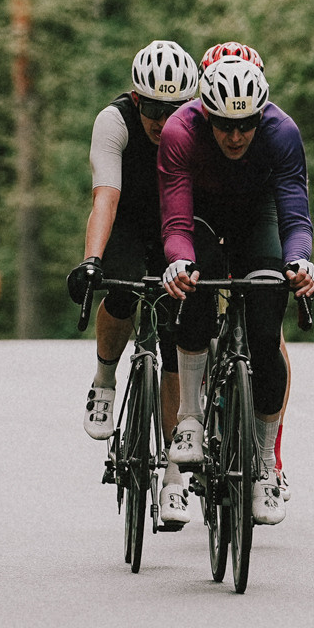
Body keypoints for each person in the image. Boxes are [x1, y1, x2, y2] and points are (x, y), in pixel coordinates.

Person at [157, 55, 314, 528]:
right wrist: (179, 261)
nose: (235, 136)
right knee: (195, 282)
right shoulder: (180, 130)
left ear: (260, 115)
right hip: (201, 216)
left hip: (258, 217)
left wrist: (300, 261)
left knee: (267, 335)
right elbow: (176, 223)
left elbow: (295, 215)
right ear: (206, 113)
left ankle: (266, 466)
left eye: (246, 124)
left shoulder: (281, 131)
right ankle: (190, 417)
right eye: (225, 125)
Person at [67, 41, 199, 521]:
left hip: (175, 228)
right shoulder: (114, 122)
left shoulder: (199, 127)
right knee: (120, 292)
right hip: (126, 220)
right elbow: (105, 197)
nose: (164, 122)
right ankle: (104, 380)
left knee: (174, 338)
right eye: (154, 110)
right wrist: (91, 261)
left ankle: (174, 475)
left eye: (175, 110)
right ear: (137, 99)